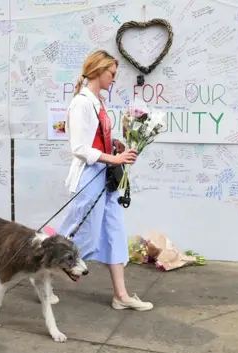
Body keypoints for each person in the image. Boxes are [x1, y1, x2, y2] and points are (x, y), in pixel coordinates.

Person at [56, 50, 154, 311]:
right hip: (91, 177)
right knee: (75, 235)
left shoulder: (98, 102)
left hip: (105, 178)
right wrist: (115, 159)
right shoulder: (81, 103)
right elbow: (79, 147)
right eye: (111, 74)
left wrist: (115, 144)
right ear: (98, 71)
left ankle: (121, 296)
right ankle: (37, 273)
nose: (113, 79)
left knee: (114, 233)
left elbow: (96, 140)